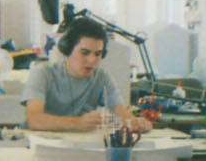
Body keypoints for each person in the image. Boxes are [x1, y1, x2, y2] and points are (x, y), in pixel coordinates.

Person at [23, 15, 151, 133]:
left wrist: (137, 123)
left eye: (98, 54)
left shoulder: (102, 78)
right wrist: (77, 123)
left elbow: (122, 113)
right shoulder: (42, 74)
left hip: (77, 147)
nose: (92, 61)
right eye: (84, 52)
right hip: (40, 146)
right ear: (67, 49)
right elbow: (34, 120)